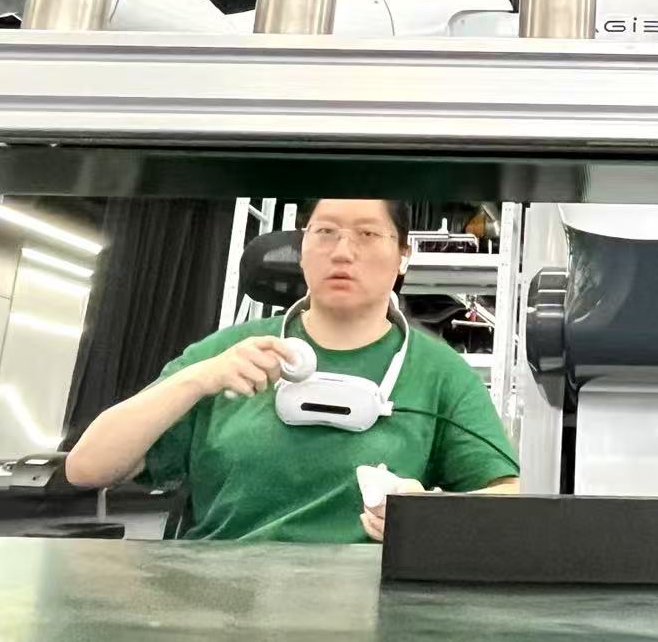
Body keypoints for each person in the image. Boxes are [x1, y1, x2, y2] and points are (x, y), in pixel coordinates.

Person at [65, 198, 518, 542]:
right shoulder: (227, 354)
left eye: (367, 234)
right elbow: (87, 468)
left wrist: (431, 517)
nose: (343, 252)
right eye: (325, 232)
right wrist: (197, 378)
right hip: (219, 602)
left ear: (403, 256)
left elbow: (509, 497)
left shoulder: (438, 372)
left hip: (366, 609)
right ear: (301, 250)